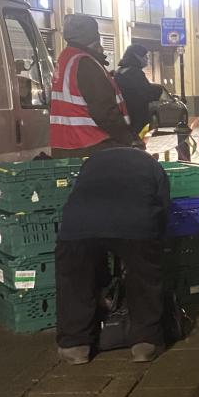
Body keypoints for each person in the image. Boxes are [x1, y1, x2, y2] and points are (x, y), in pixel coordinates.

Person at [54, 146, 171, 365]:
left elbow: (78, 193)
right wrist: (154, 243)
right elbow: (163, 207)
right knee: (144, 278)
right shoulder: (152, 166)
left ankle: (75, 345)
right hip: (136, 224)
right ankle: (145, 343)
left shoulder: (91, 162)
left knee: (75, 280)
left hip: (79, 224)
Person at [50, 14, 142, 157]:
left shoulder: (66, 58)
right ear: (94, 36)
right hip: (92, 144)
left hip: (67, 145)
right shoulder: (85, 63)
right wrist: (130, 139)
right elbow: (104, 111)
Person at [114, 45, 164, 137]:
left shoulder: (120, 71)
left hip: (124, 116)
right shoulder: (134, 73)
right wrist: (158, 90)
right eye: (145, 56)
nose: (147, 59)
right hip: (136, 117)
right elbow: (146, 93)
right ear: (136, 56)